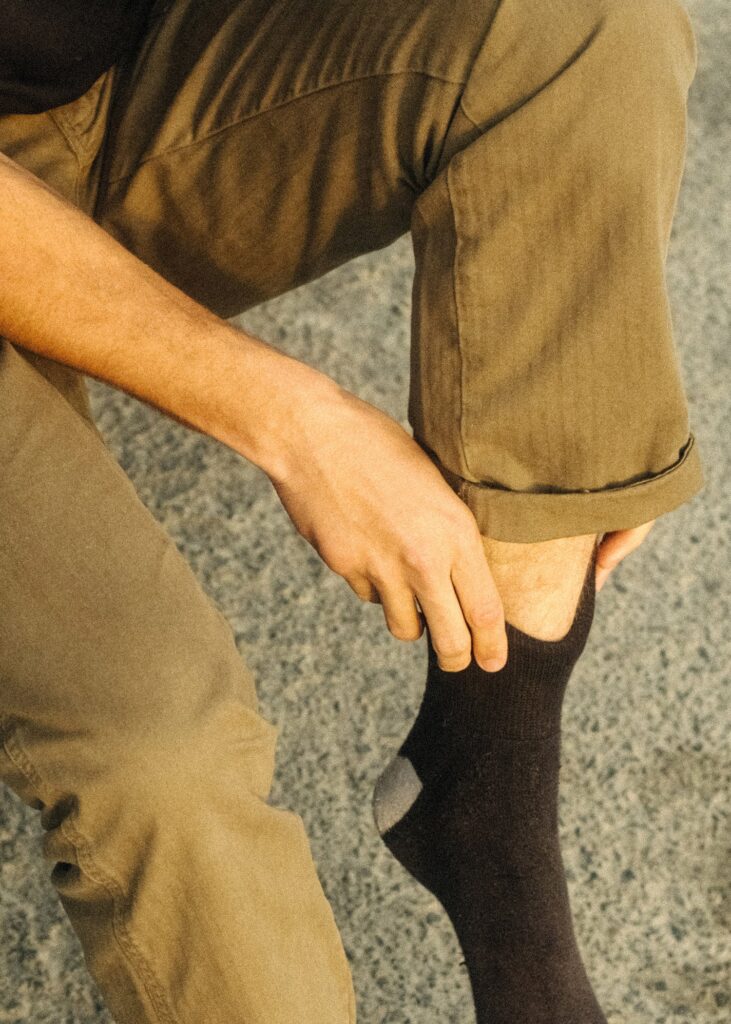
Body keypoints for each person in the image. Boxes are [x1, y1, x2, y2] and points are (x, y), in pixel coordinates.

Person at [0, 1, 703, 1022]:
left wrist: (586, 340)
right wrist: (293, 418)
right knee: (156, 745)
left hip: (101, 89)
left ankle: (486, 777)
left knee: (586, 30)